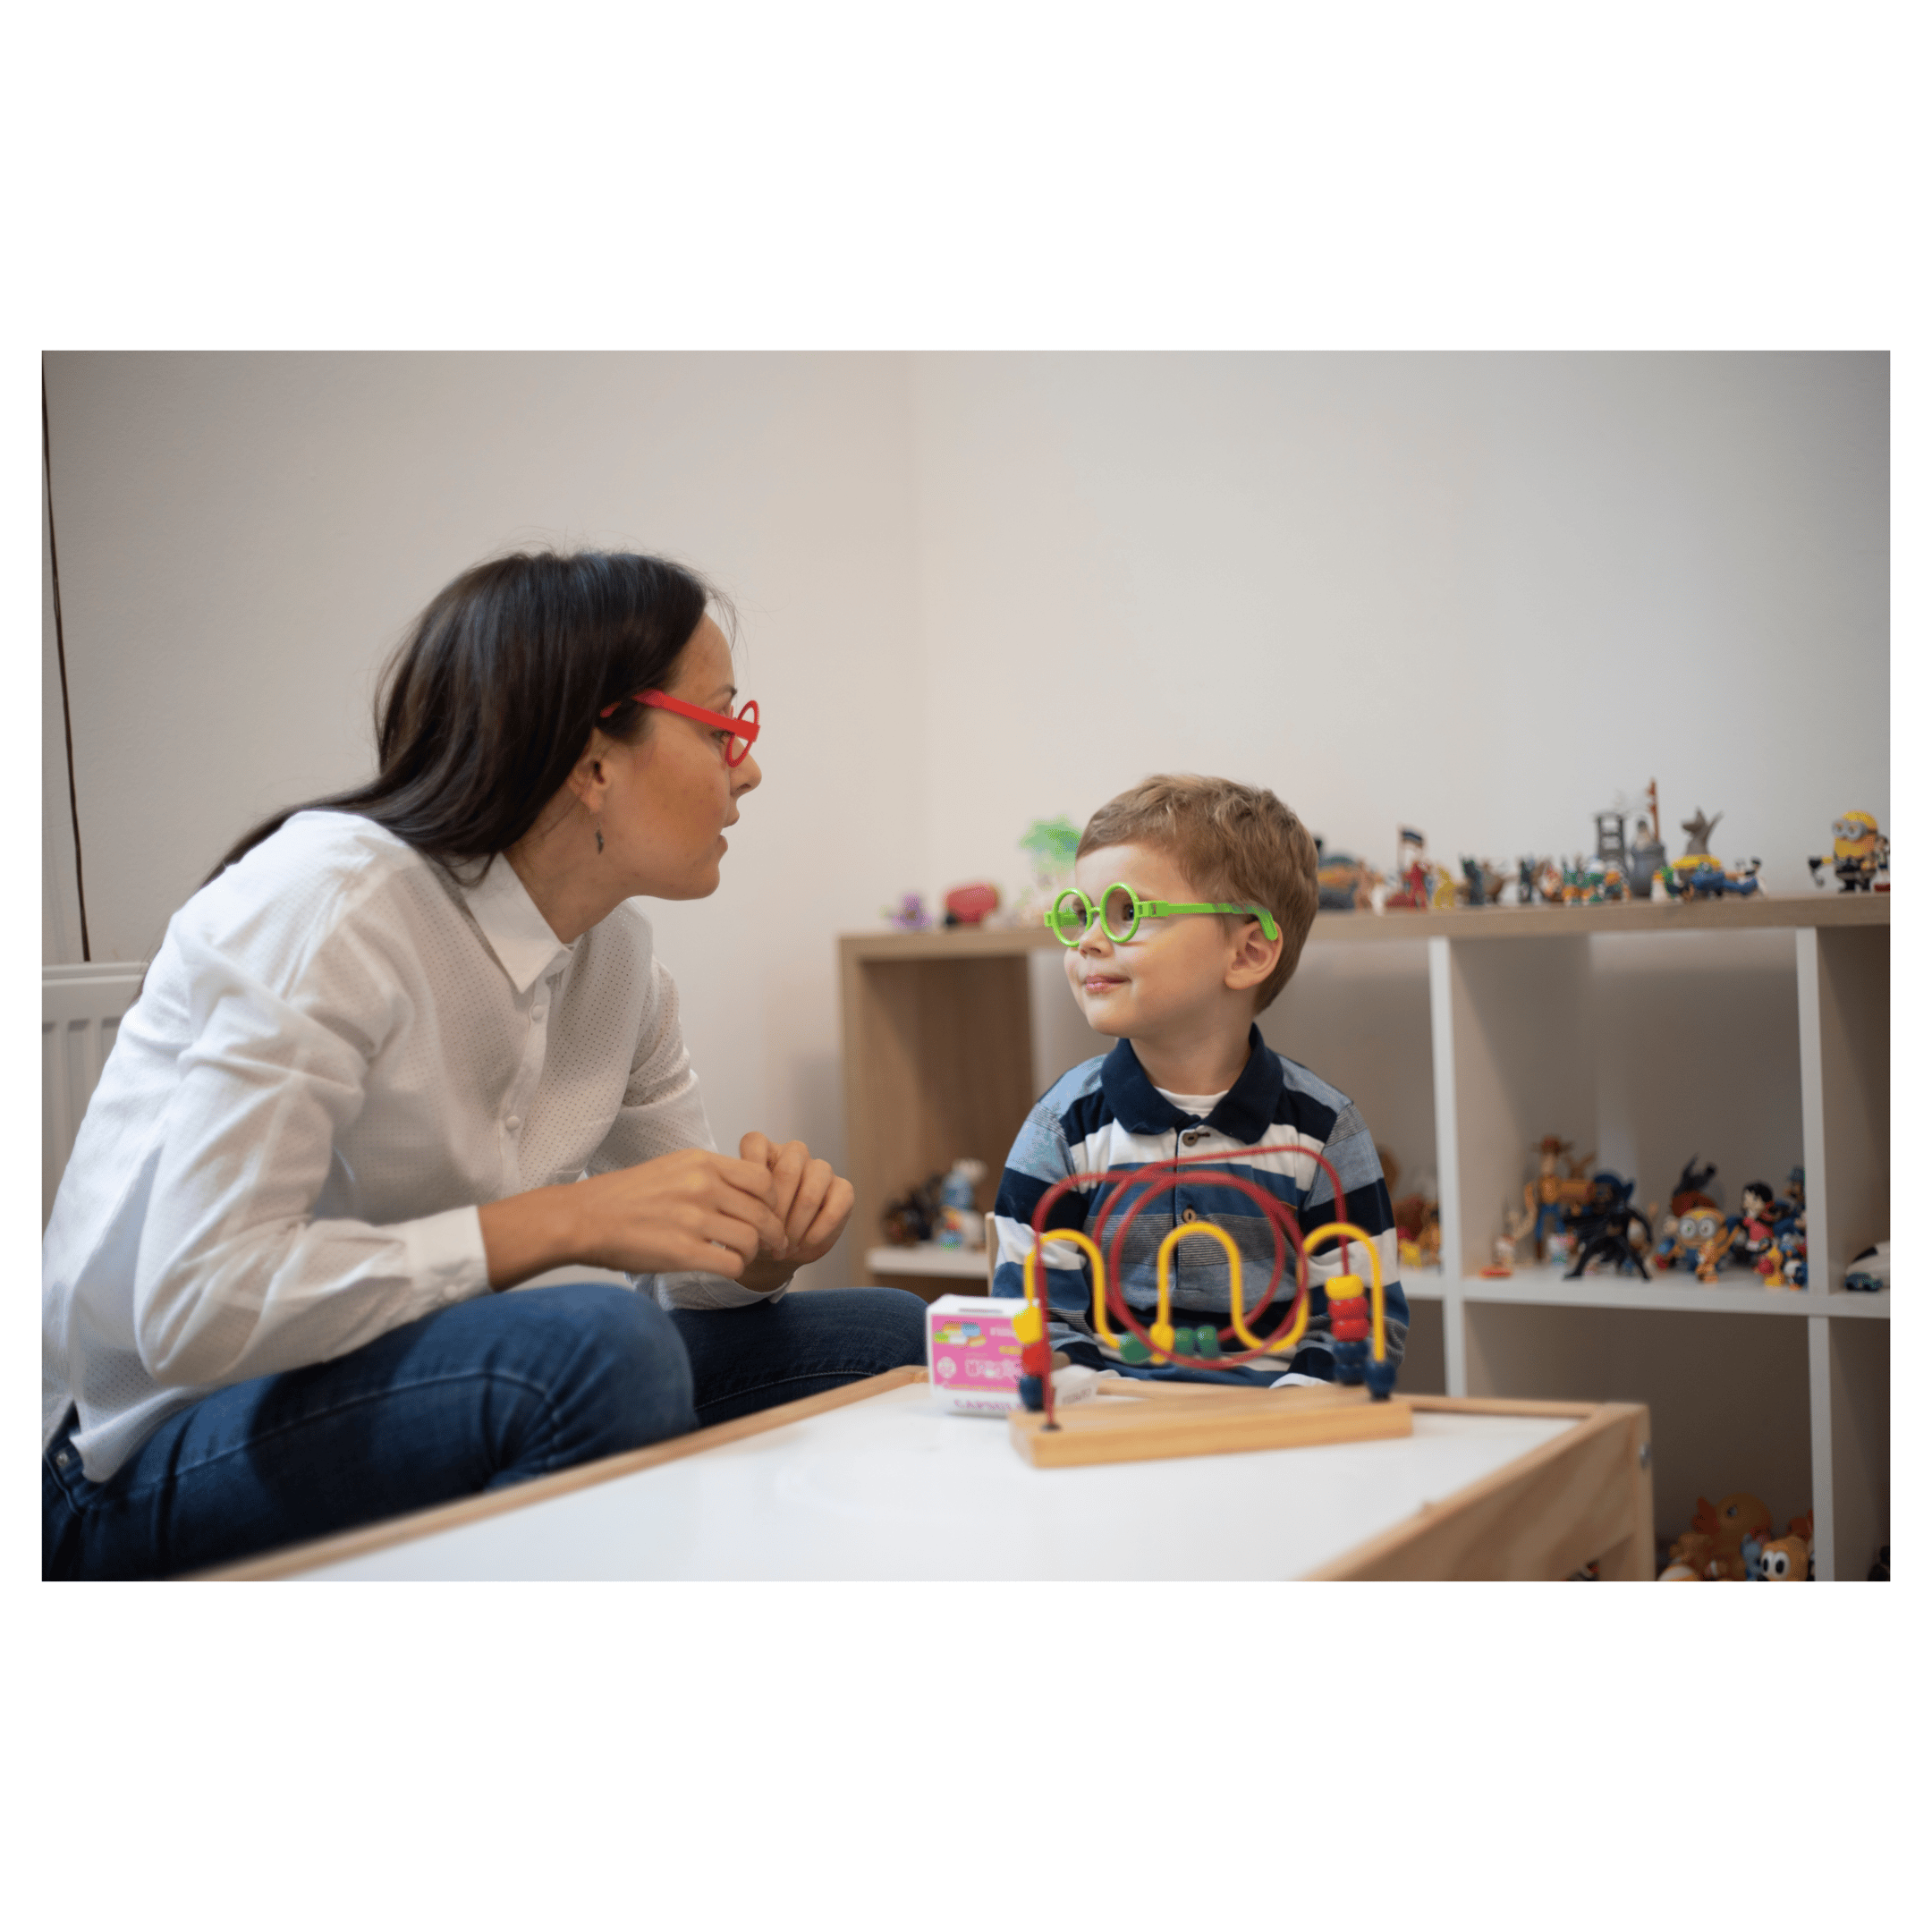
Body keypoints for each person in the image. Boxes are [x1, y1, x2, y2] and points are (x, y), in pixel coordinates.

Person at [43, 550, 926, 1579]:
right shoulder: (330, 908)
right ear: (593, 760)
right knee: (602, 1347)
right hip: (132, 1457)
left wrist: (758, 1247)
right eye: (722, 727)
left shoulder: (619, 962)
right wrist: (566, 1221)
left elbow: (688, 1279)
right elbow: (196, 1308)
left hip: (407, 1379)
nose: (750, 768)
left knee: (887, 1333)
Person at [988, 775, 1406, 1386]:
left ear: (1247, 953)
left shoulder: (1324, 1132)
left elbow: (1362, 1322)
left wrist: (1299, 1407)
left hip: (1277, 1427)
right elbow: (1036, 1317)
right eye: (1080, 915)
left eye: (1128, 913)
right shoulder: (1060, 1127)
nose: (1089, 942)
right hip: (1109, 1420)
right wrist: (1094, 1400)